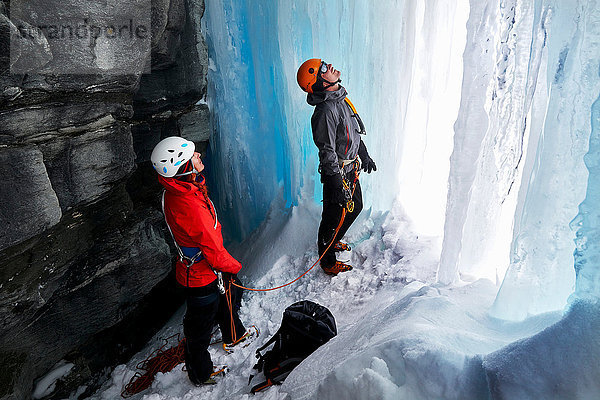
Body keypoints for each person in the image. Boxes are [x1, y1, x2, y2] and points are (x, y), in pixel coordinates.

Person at [151, 136, 251, 385]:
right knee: (199, 326)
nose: (199, 157)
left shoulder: (178, 192)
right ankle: (200, 373)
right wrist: (233, 268)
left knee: (228, 297)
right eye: (193, 156)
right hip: (201, 273)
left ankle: (234, 335)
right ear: (183, 166)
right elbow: (213, 250)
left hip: (200, 269)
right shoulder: (189, 205)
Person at [297, 59, 377, 276]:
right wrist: (334, 182)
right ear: (319, 83)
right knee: (333, 218)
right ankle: (327, 259)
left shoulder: (340, 99)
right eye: (323, 68)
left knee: (355, 206)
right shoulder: (325, 111)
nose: (329, 67)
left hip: (350, 170)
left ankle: (333, 241)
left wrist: (363, 154)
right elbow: (327, 150)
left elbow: (352, 132)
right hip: (338, 173)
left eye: (325, 64)